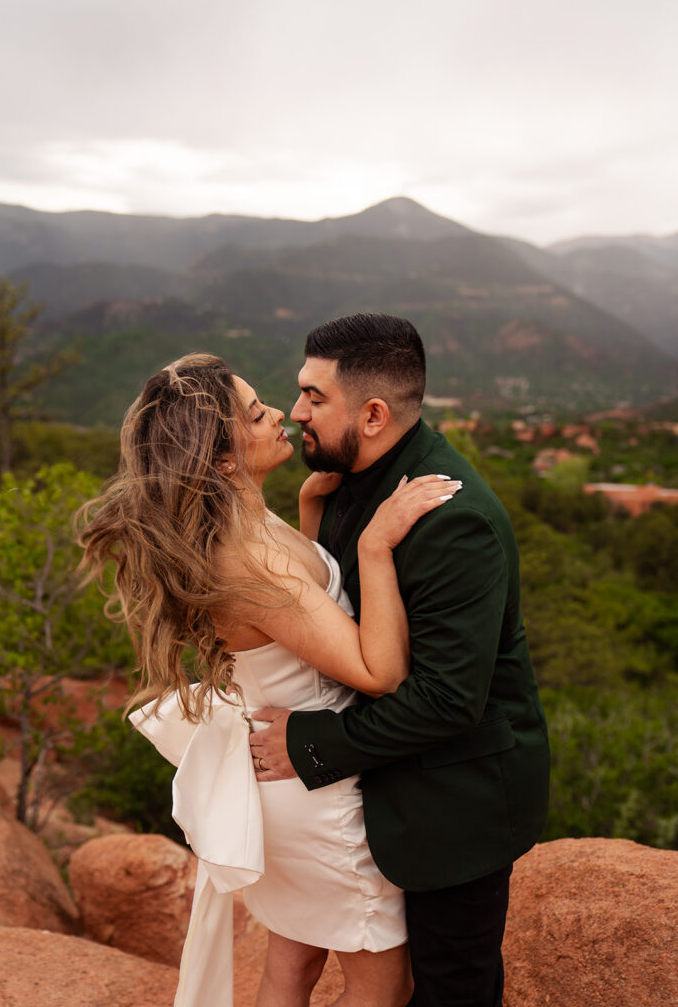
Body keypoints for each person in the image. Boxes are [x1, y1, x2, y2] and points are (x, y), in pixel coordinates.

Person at [78, 352, 461, 1007]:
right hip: (321, 794)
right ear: (223, 460)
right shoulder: (249, 560)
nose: (280, 413)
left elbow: (300, 617)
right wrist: (373, 546)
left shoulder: (241, 520)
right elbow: (378, 672)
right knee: (383, 986)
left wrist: (312, 512)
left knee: (292, 966)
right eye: (257, 415)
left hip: (288, 780)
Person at [250, 313, 550, 1007]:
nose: (296, 412)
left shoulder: (451, 520)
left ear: (374, 415)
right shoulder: (344, 482)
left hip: (454, 800)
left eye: (314, 397)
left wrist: (309, 743)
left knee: (450, 988)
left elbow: (448, 700)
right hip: (378, 791)